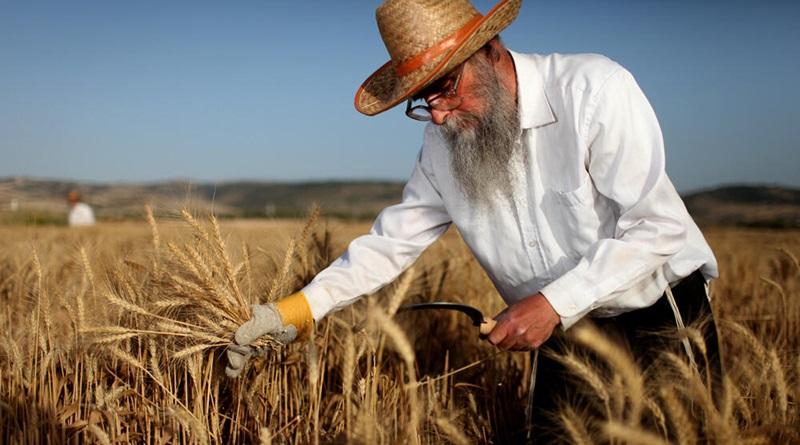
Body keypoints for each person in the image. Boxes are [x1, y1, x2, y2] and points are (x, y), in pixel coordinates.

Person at [226, 0, 722, 441]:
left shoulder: (592, 90)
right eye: (422, 101)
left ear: (489, 52)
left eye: (443, 86)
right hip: (558, 330)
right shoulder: (443, 146)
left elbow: (658, 228)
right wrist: (297, 310)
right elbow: (391, 241)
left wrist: (552, 303)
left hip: (658, 310)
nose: (438, 116)